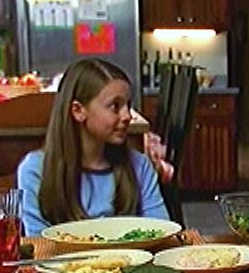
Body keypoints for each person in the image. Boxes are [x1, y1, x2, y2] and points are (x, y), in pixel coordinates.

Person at [17, 58, 169, 236]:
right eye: (115, 106)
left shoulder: (139, 165)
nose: (127, 116)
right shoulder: (35, 170)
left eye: (128, 105)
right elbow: (38, 242)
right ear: (78, 111)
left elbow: (162, 230)